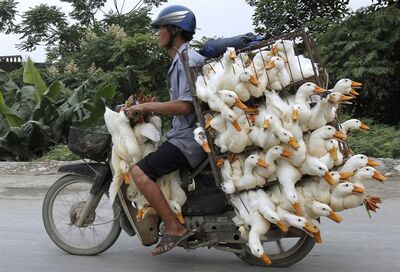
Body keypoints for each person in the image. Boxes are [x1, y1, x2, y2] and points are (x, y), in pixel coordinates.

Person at [125, 5, 207, 255]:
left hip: (189, 140)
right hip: (187, 135)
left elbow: (184, 106)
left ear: (174, 30)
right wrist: (150, 110)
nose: (158, 33)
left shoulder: (186, 60)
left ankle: (174, 228)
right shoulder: (181, 60)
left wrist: (148, 105)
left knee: (139, 173)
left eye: (161, 28)